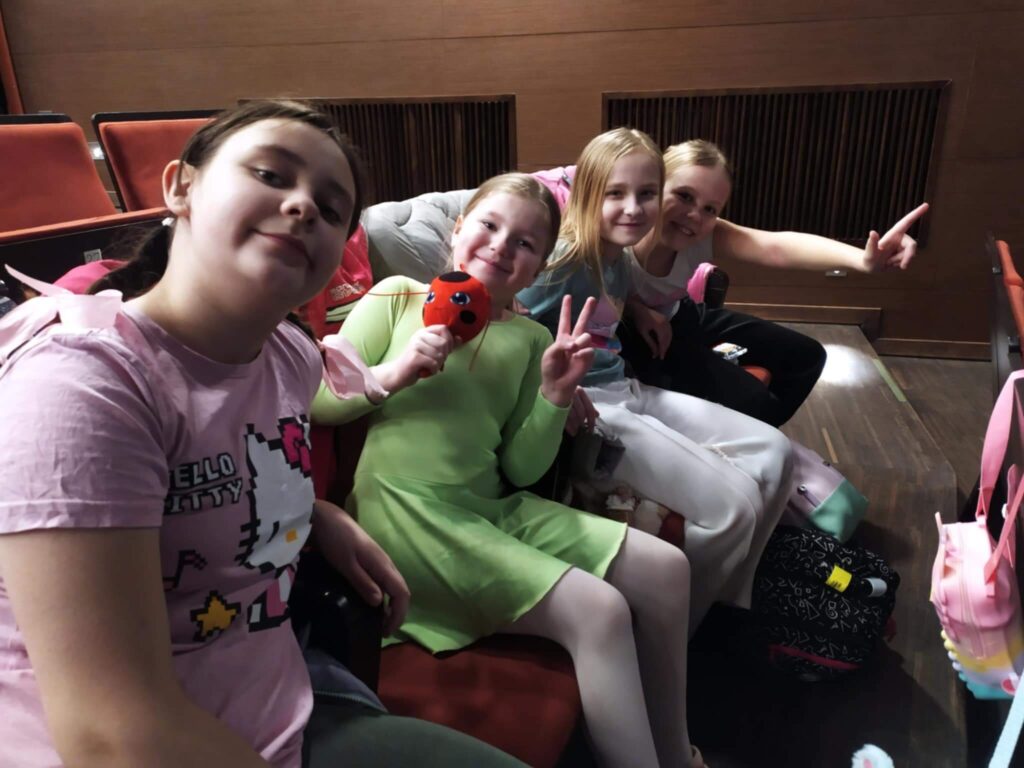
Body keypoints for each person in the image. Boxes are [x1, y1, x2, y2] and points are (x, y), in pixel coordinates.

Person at [0, 99, 525, 768]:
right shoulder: (80, 384)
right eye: (272, 175)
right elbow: (112, 737)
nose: (303, 207)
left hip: (285, 700)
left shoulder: (289, 353)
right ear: (181, 187)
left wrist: (312, 512)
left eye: (332, 209)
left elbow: (218, 470)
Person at [314, 172, 704, 768]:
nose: (501, 246)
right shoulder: (396, 297)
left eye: (524, 243)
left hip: (486, 506)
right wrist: (392, 373)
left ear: (538, 266)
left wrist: (553, 396)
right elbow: (319, 403)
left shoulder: (530, 338)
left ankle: (677, 753)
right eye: (489, 226)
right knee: (599, 611)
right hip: (405, 514)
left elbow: (521, 469)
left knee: (669, 569)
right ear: (457, 230)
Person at [516, 128, 793, 637]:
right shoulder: (562, 261)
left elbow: (610, 299)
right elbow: (510, 325)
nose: (633, 208)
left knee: (778, 454)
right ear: (588, 193)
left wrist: (641, 310)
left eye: (646, 193)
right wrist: (551, 390)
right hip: (593, 406)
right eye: (616, 193)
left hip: (625, 387)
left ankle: (725, 599)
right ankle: (675, 631)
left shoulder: (618, 259)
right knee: (734, 509)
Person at [622, 138, 929, 426]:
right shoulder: (620, 227)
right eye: (684, 196)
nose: (694, 215)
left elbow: (775, 246)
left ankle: (761, 434)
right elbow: (594, 287)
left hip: (680, 314)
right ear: (654, 186)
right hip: (639, 337)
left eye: (710, 209)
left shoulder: (705, 232)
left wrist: (863, 260)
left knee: (806, 357)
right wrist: (635, 309)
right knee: (752, 400)